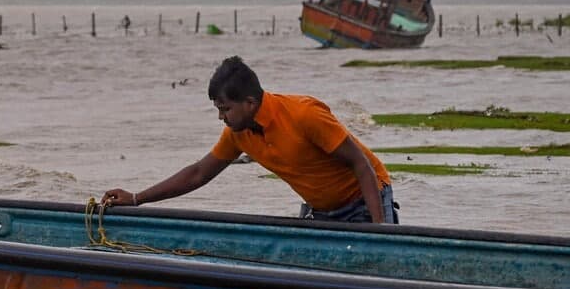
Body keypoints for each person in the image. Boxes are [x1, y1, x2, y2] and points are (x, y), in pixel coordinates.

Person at [103, 55, 399, 224]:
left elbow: (362, 165)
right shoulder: (238, 134)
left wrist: (380, 232)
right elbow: (198, 174)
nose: (222, 118)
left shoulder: (304, 115)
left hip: (363, 200)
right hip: (320, 210)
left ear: (249, 102)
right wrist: (137, 199)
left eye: (225, 109)